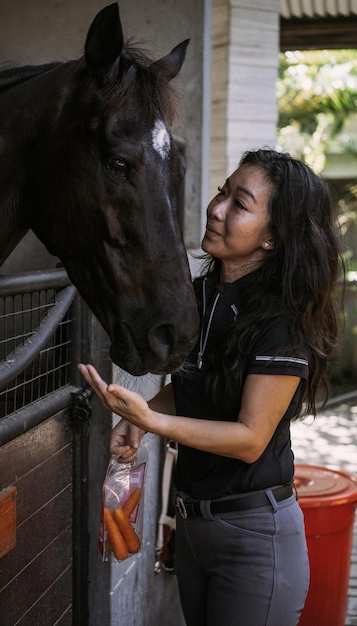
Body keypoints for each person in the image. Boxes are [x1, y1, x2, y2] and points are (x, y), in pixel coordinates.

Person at [78, 148, 342, 626]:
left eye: (239, 204)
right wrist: (137, 422)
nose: (216, 208)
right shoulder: (200, 296)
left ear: (273, 238)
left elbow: (249, 439)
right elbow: (195, 389)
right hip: (195, 528)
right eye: (223, 191)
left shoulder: (280, 321)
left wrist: (153, 421)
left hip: (254, 538)